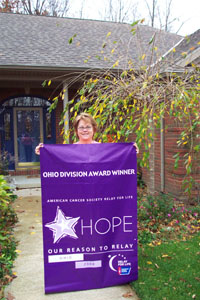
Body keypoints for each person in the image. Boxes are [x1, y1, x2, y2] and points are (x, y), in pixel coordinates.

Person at [35, 112, 139, 154]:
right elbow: (56, 162)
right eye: (81, 127)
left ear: (94, 129)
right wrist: (44, 152)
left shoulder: (103, 149)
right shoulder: (70, 151)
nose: (85, 130)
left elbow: (118, 161)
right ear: (76, 131)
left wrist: (130, 151)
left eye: (88, 127)